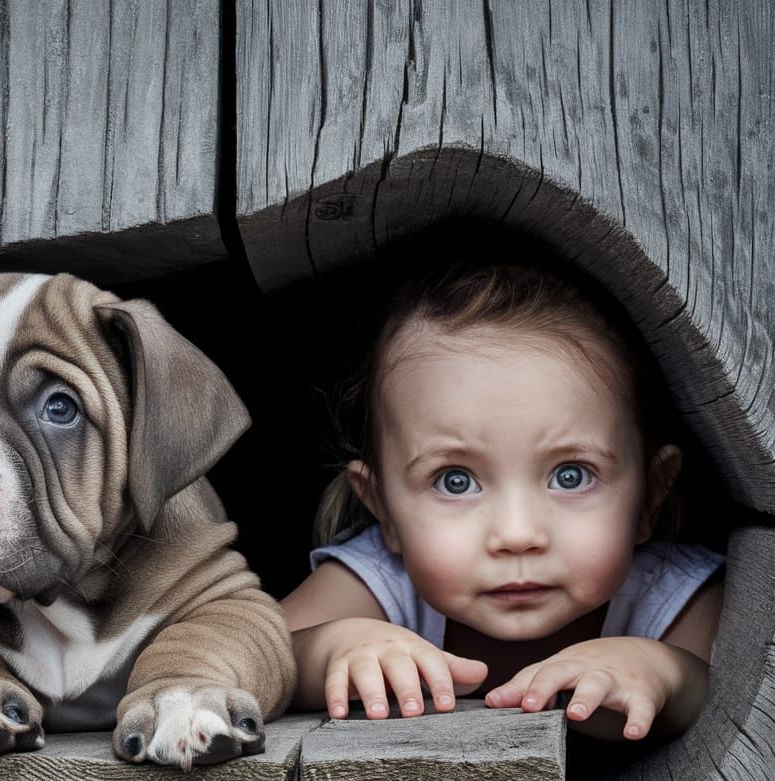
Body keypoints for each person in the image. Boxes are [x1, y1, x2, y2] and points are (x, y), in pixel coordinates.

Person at [280, 259, 725, 741]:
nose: (517, 534)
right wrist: (332, 649)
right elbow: (253, 656)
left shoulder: (669, 595)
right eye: (455, 481)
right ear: (382, 510)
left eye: (571, 475)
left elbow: (746, 700)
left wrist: (668, 673)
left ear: (650, 496)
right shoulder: (382, 583)